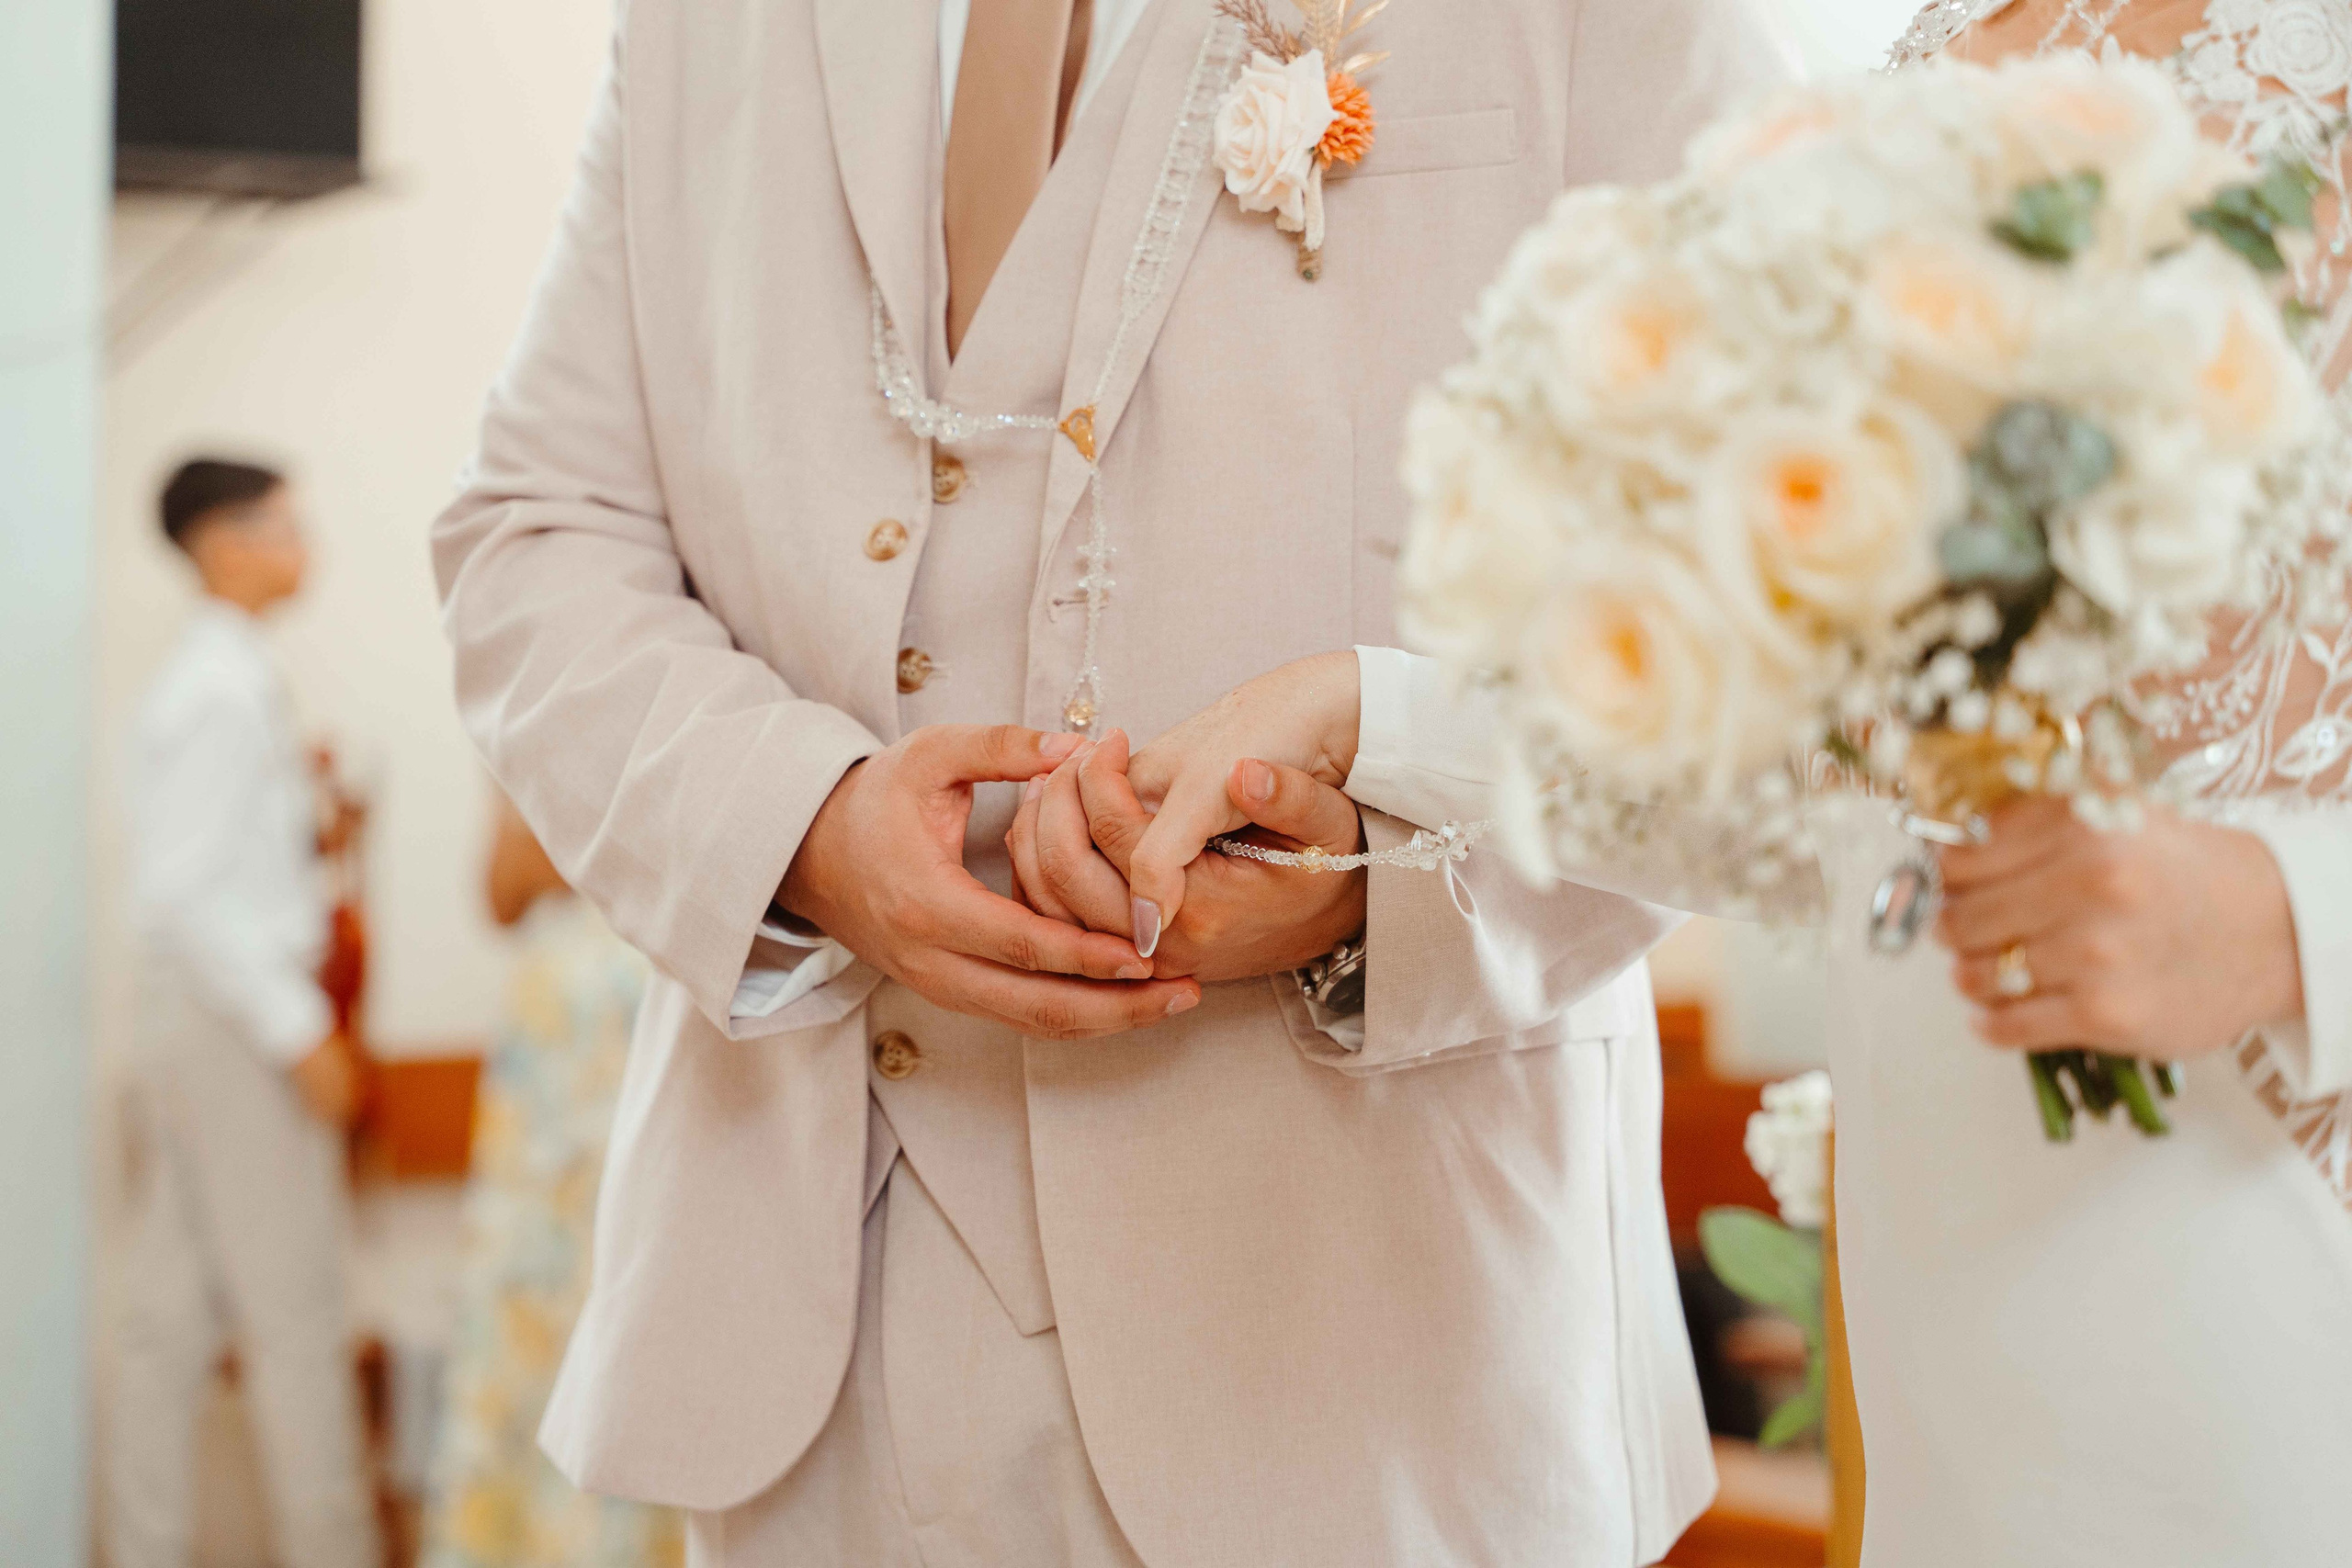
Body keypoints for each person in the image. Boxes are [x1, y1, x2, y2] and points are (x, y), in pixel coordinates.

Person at [431, 1, 1792, 1563]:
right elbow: (536, 526)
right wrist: (798, 825)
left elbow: (1789, 598)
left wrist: (1382, 829)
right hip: (811, 1337)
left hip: (1376, 1355)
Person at [1109, 2, 2352, 1557]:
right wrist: (1380, 717)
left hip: (2277, 1265)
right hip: (1966, 1318)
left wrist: (2289, 919)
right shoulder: (1945, 54)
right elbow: (1798, 757)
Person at [110, 458, 380, 1568]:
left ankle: (144, 1547)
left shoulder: (225, 680)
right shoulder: (219, 691)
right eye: (280, 524)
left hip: (201, 1017)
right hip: (236, 1021)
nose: (302, 542)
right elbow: (182, 897)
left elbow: (209, 870)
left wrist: (302, 820)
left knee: (167, 1320)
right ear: (221, 542)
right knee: (299, 1320)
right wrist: (297, 1031)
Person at [420, 796, 680, 1568]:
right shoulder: (529, 683)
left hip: (652, 1019)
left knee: (642, 1309)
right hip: (561, 1059)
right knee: (536, 1320)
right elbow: (501, 891)